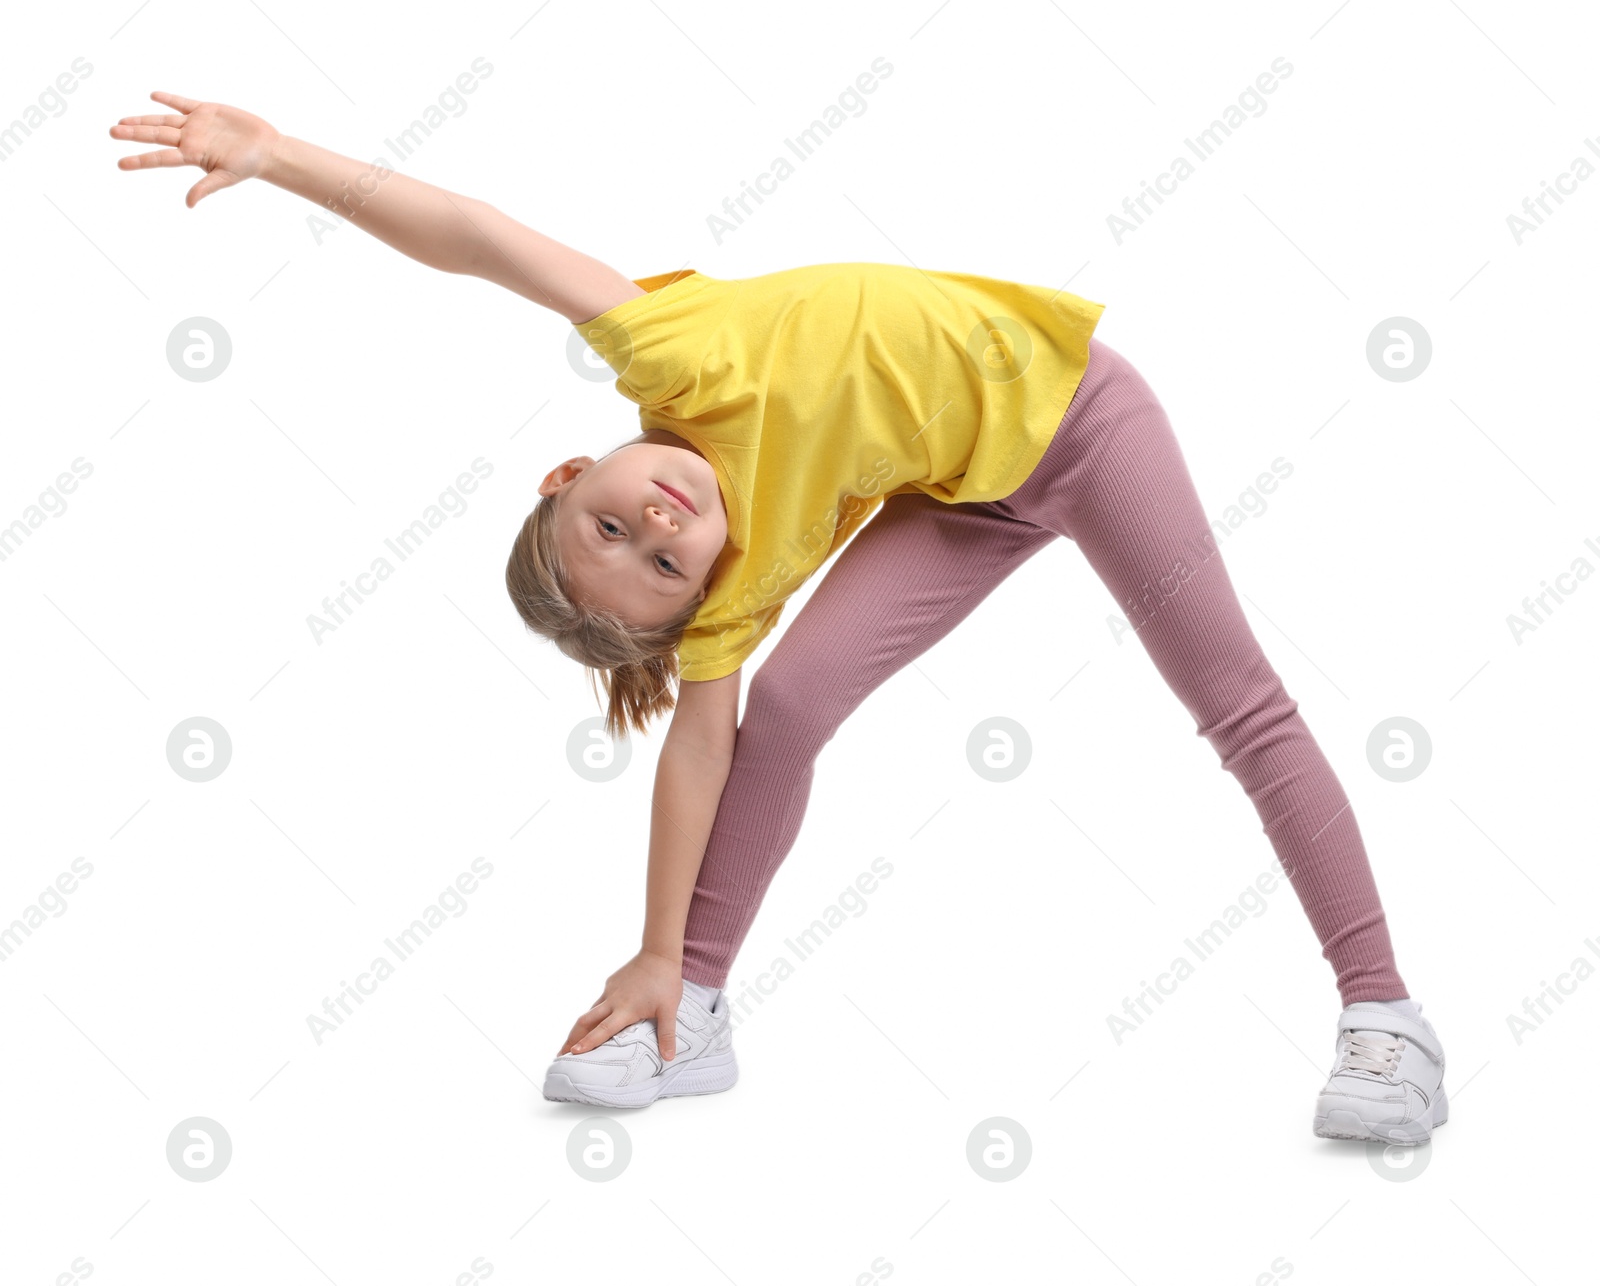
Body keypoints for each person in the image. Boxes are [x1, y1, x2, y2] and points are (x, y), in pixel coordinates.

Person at [109, 91, 1448, 1145]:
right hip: (964, 494)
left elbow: (477, 239)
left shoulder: (672, 355)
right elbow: (700, 752)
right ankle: (688, 1009)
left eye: (616, 521)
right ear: (692, 602)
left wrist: (281, 156)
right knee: (786, 709)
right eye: (655, 566)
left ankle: (1385, 1014)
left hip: (1084, 423)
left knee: (1237, 707)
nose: (666, 526)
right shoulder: (726, 593)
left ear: (571, 472)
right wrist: (649, 947)